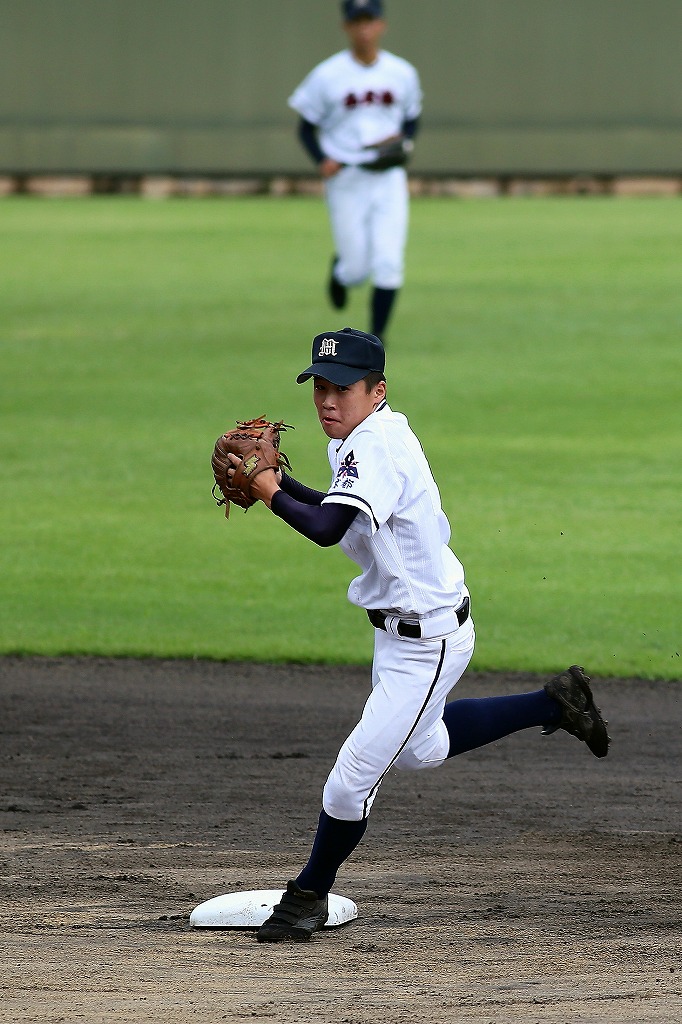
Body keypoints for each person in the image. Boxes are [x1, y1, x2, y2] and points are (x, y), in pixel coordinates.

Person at [225, 327, 610, 943]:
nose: (327, 400)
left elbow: (325, 530)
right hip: (404, 638)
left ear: (376, 391)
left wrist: (268, 488)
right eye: (320, 387)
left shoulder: (377, 445)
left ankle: (307, 897)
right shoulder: (360, 438)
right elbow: (338, 509)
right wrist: (280, 486)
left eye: (342, 389)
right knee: (422, 747)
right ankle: (555, 702)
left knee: (350, 778)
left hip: (428, 641)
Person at [288, 0, 422, 344]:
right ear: (346, 27)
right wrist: (322, 159)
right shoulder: (327, 75)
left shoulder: (401, 72)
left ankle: (378, 337)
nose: (364, 28)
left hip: (389, 176)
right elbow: (305, 127)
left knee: (390, 261)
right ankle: (340, 272)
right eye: (357, 21)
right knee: (357, 270)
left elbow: (411, 116)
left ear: (382, 25)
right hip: (346, 178)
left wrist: (404, 140)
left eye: (370, 21)